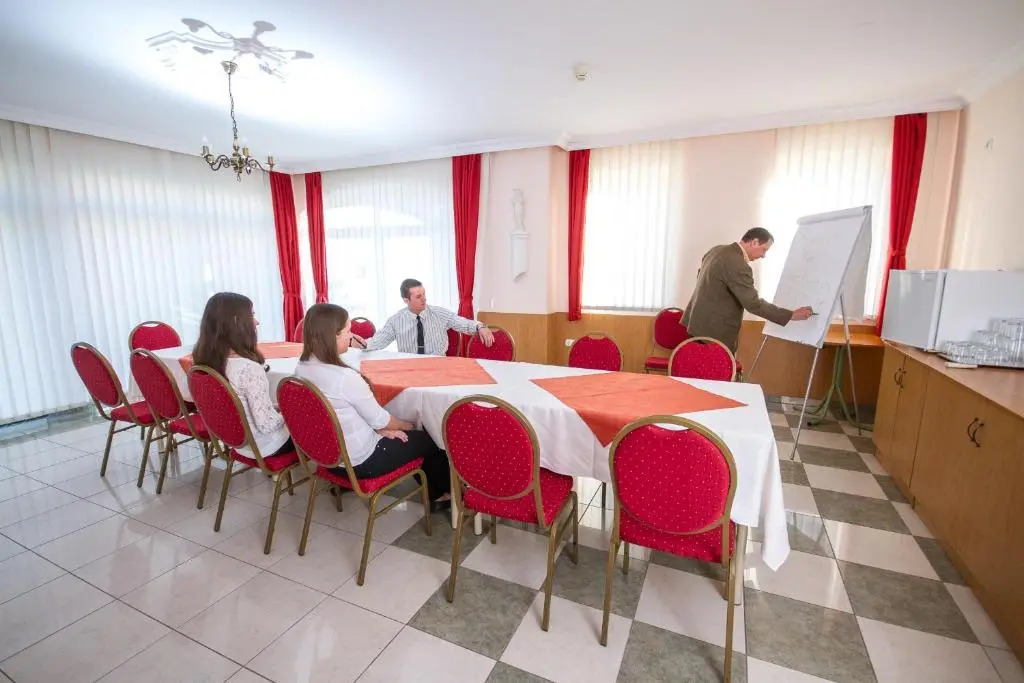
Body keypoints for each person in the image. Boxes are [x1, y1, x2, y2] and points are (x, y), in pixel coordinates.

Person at [295, 303, 452, 510]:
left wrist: (381, 429)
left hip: (326, 459)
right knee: (431, 436)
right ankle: (442, 495)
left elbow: (347, 417)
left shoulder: (301, 369)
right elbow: (381, 420)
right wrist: (409, 426)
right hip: (361, 462)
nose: (352, 337)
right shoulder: (344, 378)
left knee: (400, 432)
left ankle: (436, 490)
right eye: (348, 331)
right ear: (332, 336)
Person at [192, 292, 292, 459]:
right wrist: (289, 414)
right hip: (267, 446)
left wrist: (275, 408)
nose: (256, 322)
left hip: (238, 443)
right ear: (236, 321)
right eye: (252, 315)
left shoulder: (204, 361)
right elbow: (267, 425)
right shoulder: (247, 368)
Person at [683, 228, 813, 353]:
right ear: (754, 242)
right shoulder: (738, 264)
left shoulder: (717, 250)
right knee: (714, 368)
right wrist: (791, 315)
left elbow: (703, 277)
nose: (763, 256)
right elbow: (753, 304)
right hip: (714, 332)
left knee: (696, 367)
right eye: (764, 250)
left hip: (696, 324)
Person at [351, 278, 495, 355]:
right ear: (406, 300)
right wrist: (363, 344)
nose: (424, 299)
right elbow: (379, 341)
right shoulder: (396, 320)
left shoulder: (439, 313)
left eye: (424, 294)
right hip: (410, 369)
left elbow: (464, 323)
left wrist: (480, 326)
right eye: (418, 297)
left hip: (438, 368)